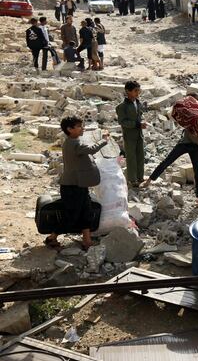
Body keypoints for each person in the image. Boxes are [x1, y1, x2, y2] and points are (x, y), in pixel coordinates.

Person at [50, 117, 109, 250]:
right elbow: (92, 149)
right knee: (72, 215)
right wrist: (104, 140)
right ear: (70, 129)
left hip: (80, 185)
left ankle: (87, 241)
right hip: (71, 187)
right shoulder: (73, 144)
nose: (83, 128)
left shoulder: (74, 141)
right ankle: (52, 237)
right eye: (79, 126)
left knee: (85, 212)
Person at [142, 93, 198, 207]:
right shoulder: (188, 112)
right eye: (197, 100)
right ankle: (149, 181)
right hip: (184, 143)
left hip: (195, 145)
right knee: (167, 161)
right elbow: (175, 115)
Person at [116, 80, 147, 187]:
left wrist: (142, 122)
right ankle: (132, 179)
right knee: (131, 157)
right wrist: (137, 124)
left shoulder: (138, 103)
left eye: (139, 90)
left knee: (140, 156)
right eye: (135, 91)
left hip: (139, 134)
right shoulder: (122, 106)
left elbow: (140, 115)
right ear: (128, 91)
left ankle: (140, 177)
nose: (138, 93)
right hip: (129, 136)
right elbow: (122, 121)